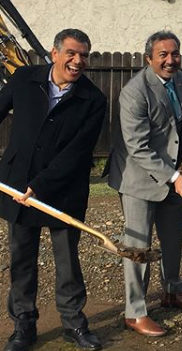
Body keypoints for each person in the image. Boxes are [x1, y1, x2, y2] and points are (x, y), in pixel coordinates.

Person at [0, 29, 107, 351]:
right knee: (22, 258)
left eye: (84, 55)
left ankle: (73, 323)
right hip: (18, 186)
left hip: (64, 189)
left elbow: (78, 151)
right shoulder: (24, 79)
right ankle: (23, 324)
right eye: (71, 53)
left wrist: (41, 184)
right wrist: (25, 184)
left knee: (67, 260)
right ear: (54, 53)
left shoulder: (93, 99)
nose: (78, 61)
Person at [106, 31, 182, 337]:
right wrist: (173, 176)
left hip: (169, 175)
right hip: (136, 179)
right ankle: (135, 312)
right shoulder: (134, 92)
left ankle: (173, 292)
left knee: (173, 237)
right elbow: (137, 147)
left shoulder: (181, 80)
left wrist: (174, 171)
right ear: (148, 58)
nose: (170, 60)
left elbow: (175, 129)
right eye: (163, 54)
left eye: (174, 53)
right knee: (138, 247)